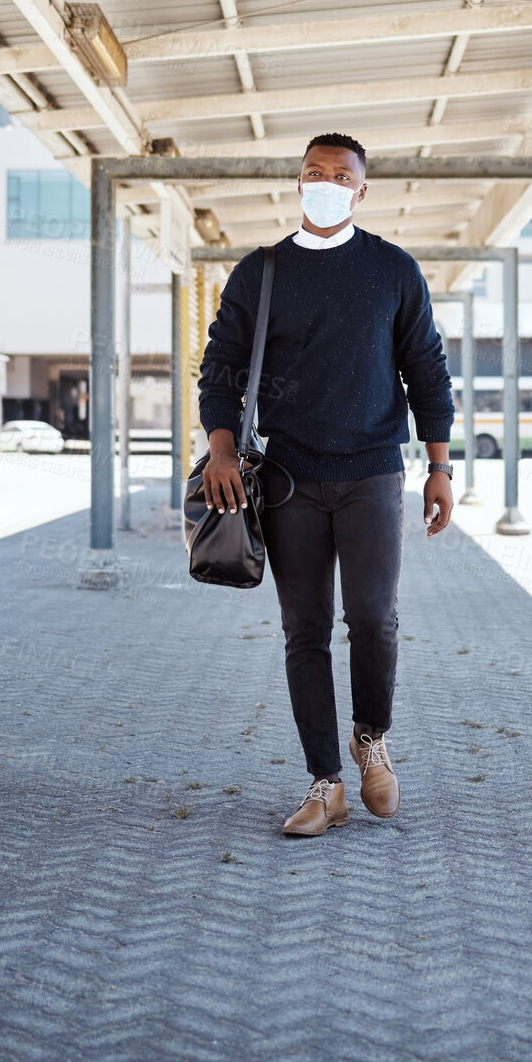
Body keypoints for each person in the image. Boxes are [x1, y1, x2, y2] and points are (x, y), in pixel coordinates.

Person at [197, 132, 455, 838]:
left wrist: (439, 467)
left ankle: (371, 738)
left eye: (340, 175)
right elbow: (218, 369)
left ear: (361, 190)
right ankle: (325, 785)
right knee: (303, 630)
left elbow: (427, 372)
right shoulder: (262, 272)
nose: (325, 182)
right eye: (314, 172)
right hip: (287, 478)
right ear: (297, 181)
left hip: (373, 469)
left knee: (373, 618)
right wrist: (221, 449)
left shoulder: (392, 270)